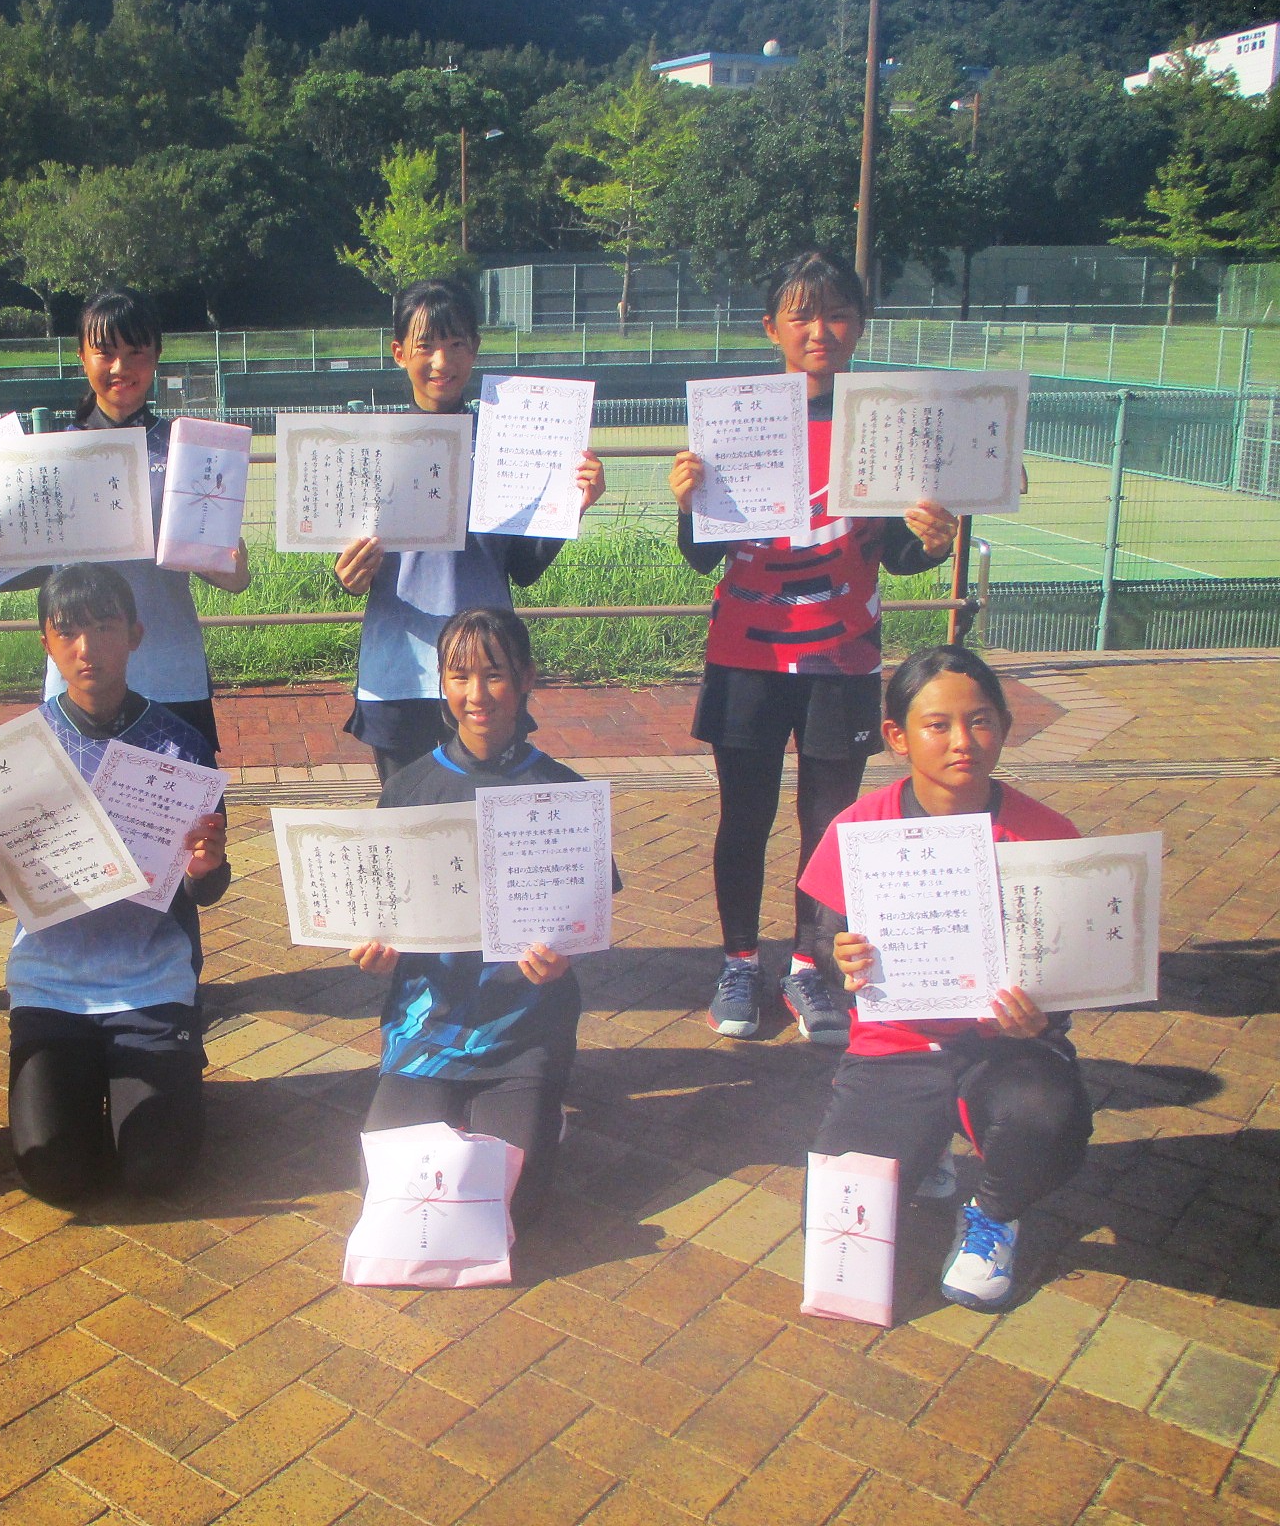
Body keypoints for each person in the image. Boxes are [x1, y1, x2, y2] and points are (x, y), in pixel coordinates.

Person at [668, 251, 959, 1044]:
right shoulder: (737, 420)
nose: (819, 330)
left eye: (836, 314)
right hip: (747, 654)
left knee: (830, 824)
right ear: (772, 328)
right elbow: (699, 556)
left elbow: (898, 553)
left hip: (844, 657)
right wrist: (690, 503)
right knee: (745, 816)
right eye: (801, 315)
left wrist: (933, 541)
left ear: (859, 326)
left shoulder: (884, 421)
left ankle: (807, 967)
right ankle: (739, 962)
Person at [802, 644, 1093, 1312]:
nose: (963, 741)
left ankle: (993, 1214)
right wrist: (842, 961)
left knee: (1047, 1119)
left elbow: (1066, 980)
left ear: (1004, 728)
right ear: (898, 737)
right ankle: (924, 1144)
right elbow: (823, 947)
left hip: (1005, 1046)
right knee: (836, 1236)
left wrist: (1044, 1015)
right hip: (896, 1045)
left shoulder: (1047, 835)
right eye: (938, 725)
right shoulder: (860, 828)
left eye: (980, 720)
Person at [0, 564, 230, 1202]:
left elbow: (206, 887)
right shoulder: (19, 754)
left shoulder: (181, 746)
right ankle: (83, 1081)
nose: (87, 648)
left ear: (135, 635)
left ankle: (161, 1075)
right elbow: (7, 886)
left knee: (155, 1173)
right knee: (59, 1175)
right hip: (52, 986)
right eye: (68, 631)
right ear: (45, 642)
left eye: (104, 628)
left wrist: (203, 871)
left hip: (150, 984)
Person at [347, 607, 620, 1228]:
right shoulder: (410, 788)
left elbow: (588, 914)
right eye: (459, 676)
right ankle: (458, 1108)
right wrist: (376, 950)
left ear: (526, 679)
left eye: (494, 675)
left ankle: (540, 1111)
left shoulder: (562, 791)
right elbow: (381, 910)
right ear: (441, 683)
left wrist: (564, 956)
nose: (477, 695)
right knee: (393, 1198)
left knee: (505, 1208)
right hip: (428, 1028)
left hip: (523, 1032)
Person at [0, 287, 250, 752]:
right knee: (78, 801)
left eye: (136, 352)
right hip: (78, 682)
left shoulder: (189, 451)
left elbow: (235, 577)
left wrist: (223, 563)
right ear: (82, 357)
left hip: (169, 671)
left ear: (157, 356)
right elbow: (24, 568)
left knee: (179, 800)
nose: (121, 367)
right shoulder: (44, 459)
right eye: (105, 352)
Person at [336, 279, 606, 784]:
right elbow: (347, 567)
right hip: (402, 672)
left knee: (491, 817)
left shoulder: (508, 442)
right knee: (408, 819)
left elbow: (522, 569)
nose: (442, 361)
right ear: (399, 353)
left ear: (475, 349)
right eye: (426, 346)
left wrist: (571, 507)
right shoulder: (371, 448)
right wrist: (348, 577)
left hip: (487, 673)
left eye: (456, 343)